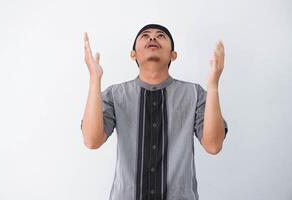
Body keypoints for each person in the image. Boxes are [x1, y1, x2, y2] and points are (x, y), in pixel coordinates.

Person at [80, 24, 228, 200]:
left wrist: (213, 86)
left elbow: (213, 145)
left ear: (173, 55)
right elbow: (91, 140)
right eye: (145, 35)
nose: (152, 38)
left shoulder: (194, 94)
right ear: (133, 54)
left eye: (160, 36)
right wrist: (94, 80)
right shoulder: (115, 95)